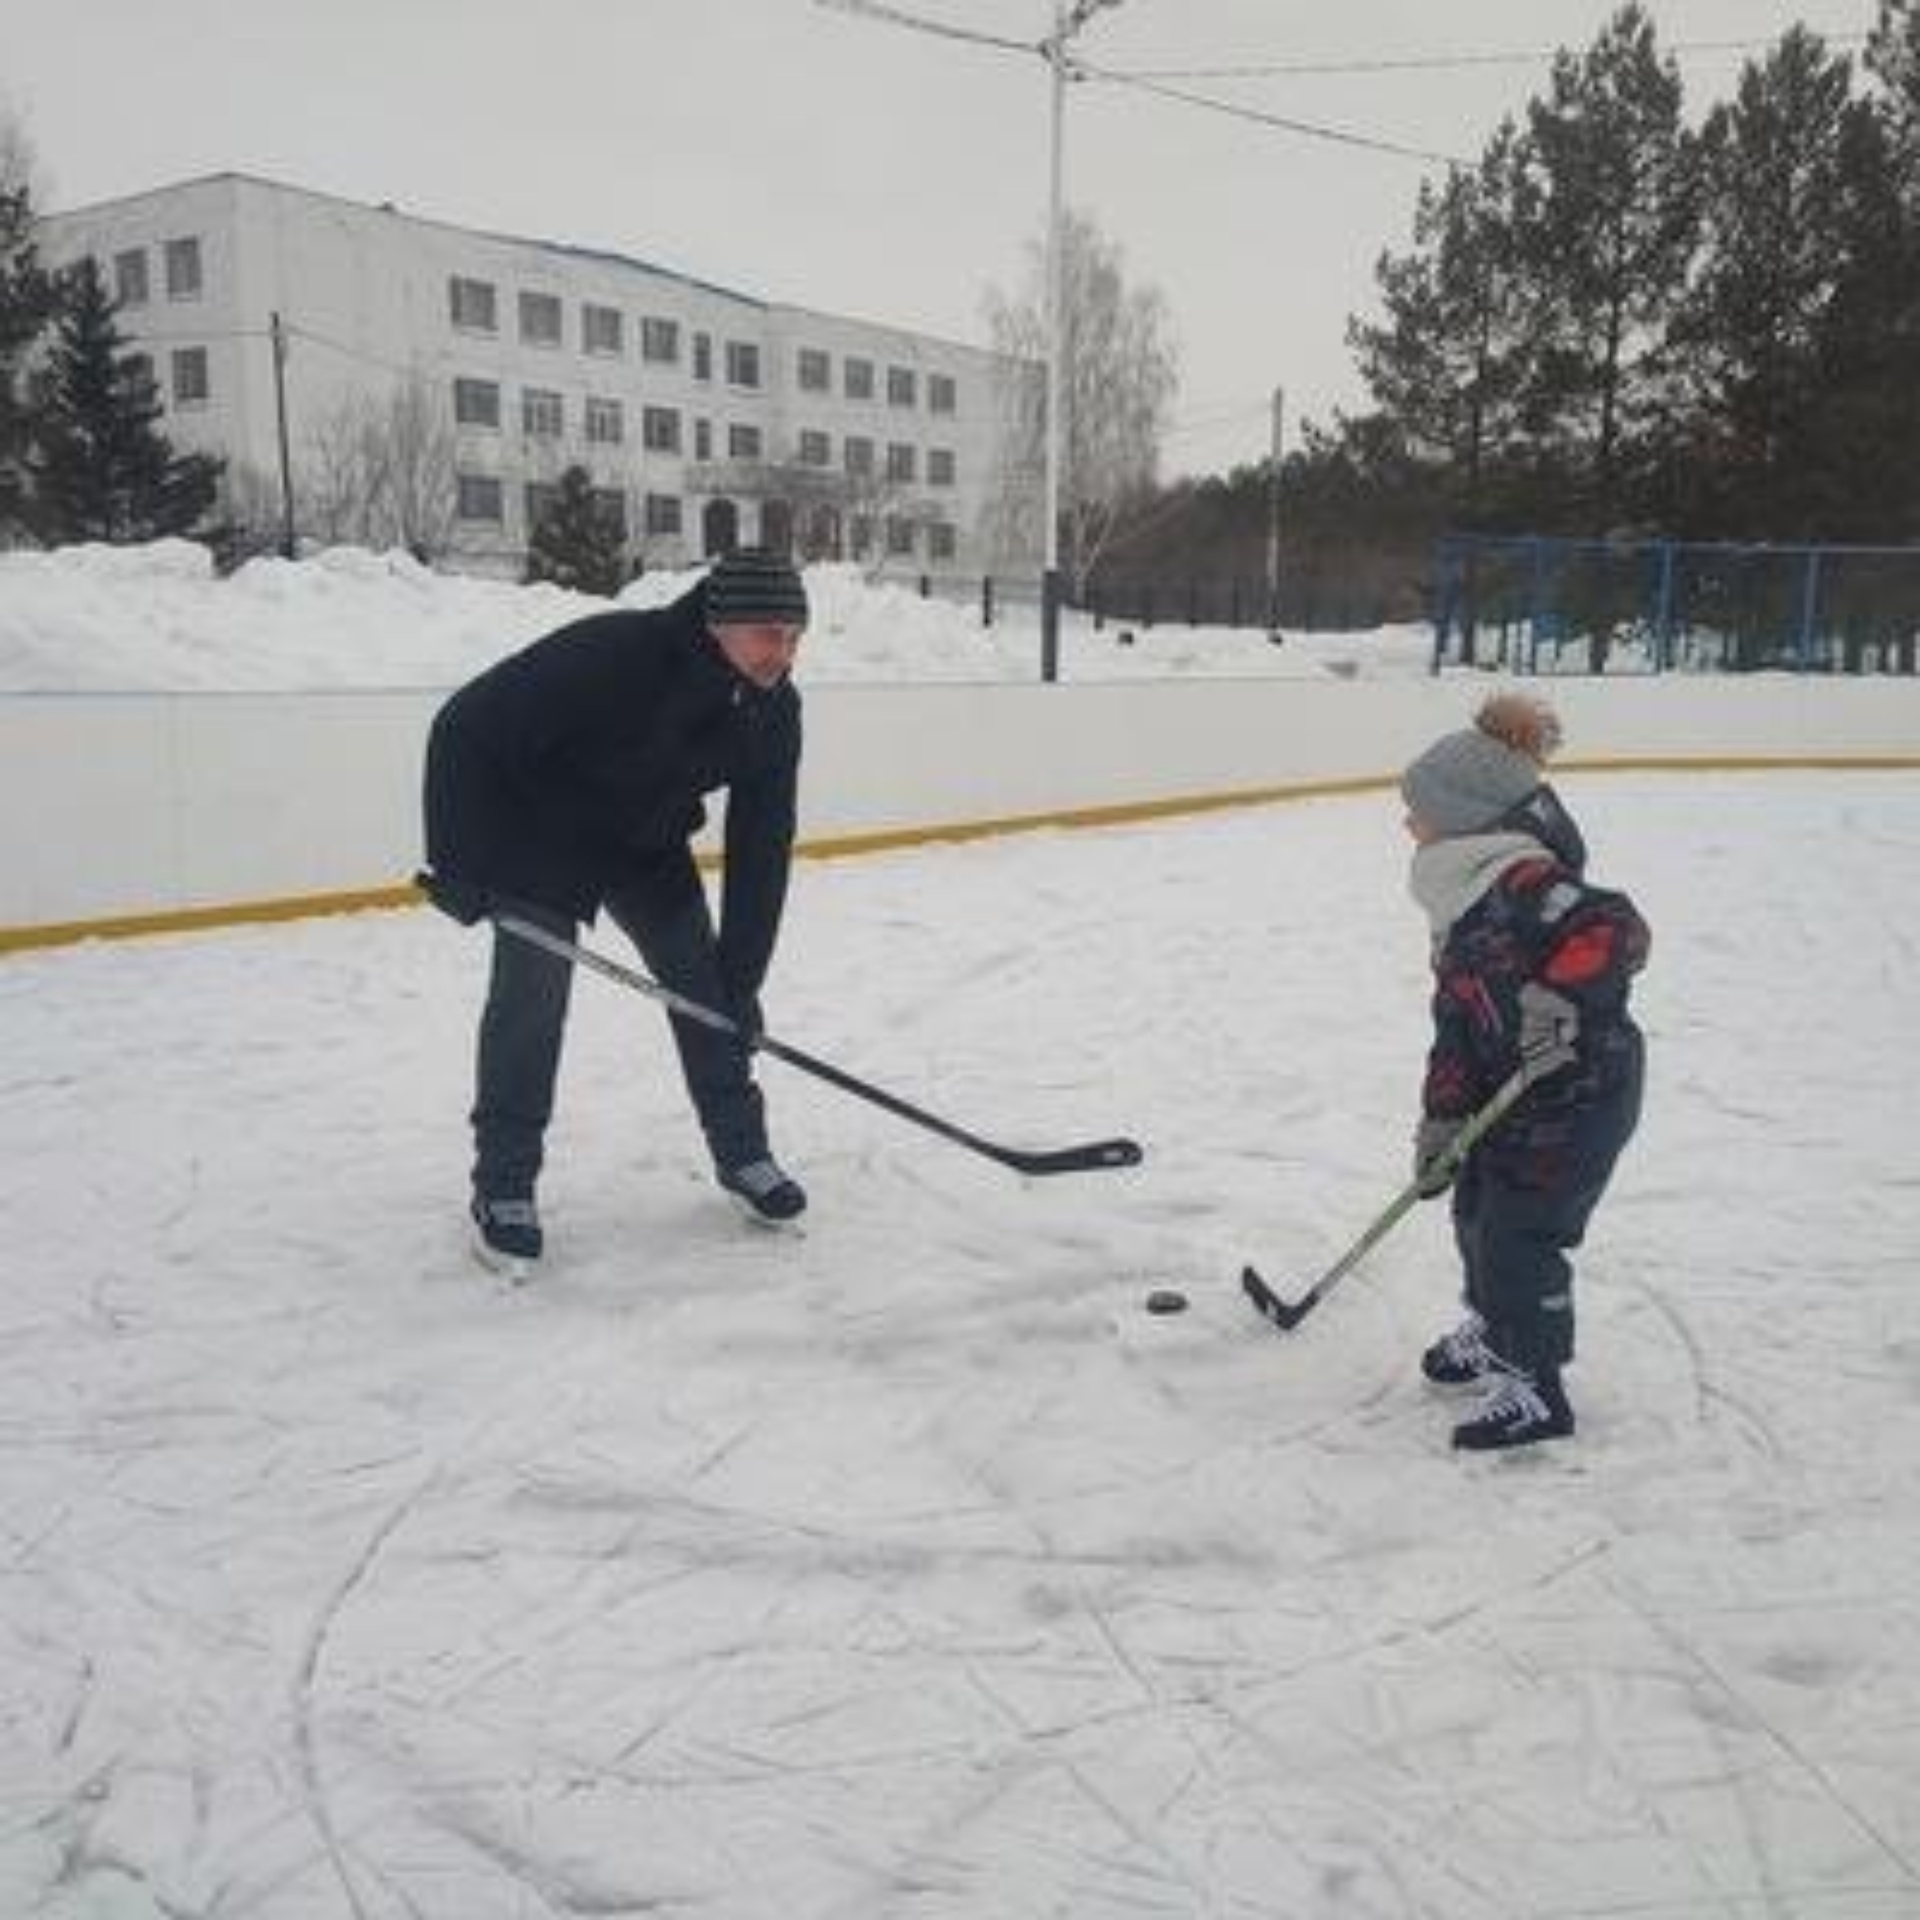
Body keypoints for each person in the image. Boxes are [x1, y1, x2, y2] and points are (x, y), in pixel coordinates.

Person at [419, 547, 810, 1278]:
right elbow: (465, 728)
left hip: (644, 842)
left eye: (793, 637)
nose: (782, 655)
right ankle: (502, 1188)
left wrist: (742, 982)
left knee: (704, 992)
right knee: (530, 1004)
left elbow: (764, 847)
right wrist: (460, 866)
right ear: (721, 625)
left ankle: (743, 1153)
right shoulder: (617, 655)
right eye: (767, 634)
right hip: (541, 838)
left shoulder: (772, 712)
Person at [1401, 693, 1649, 1451]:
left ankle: (1537, 1388)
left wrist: (1558, 999)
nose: (1407, 824)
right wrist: (1444, 1116)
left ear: (1466, 816)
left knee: (1519, 1235)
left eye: (1418, 809)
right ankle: (1494, 1329)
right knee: (1476, 1212)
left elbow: (1618, 929)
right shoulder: (1462, 904)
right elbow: (1457, 1021)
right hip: (1510, 1092)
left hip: (1576, 1090)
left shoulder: (1525, 883)